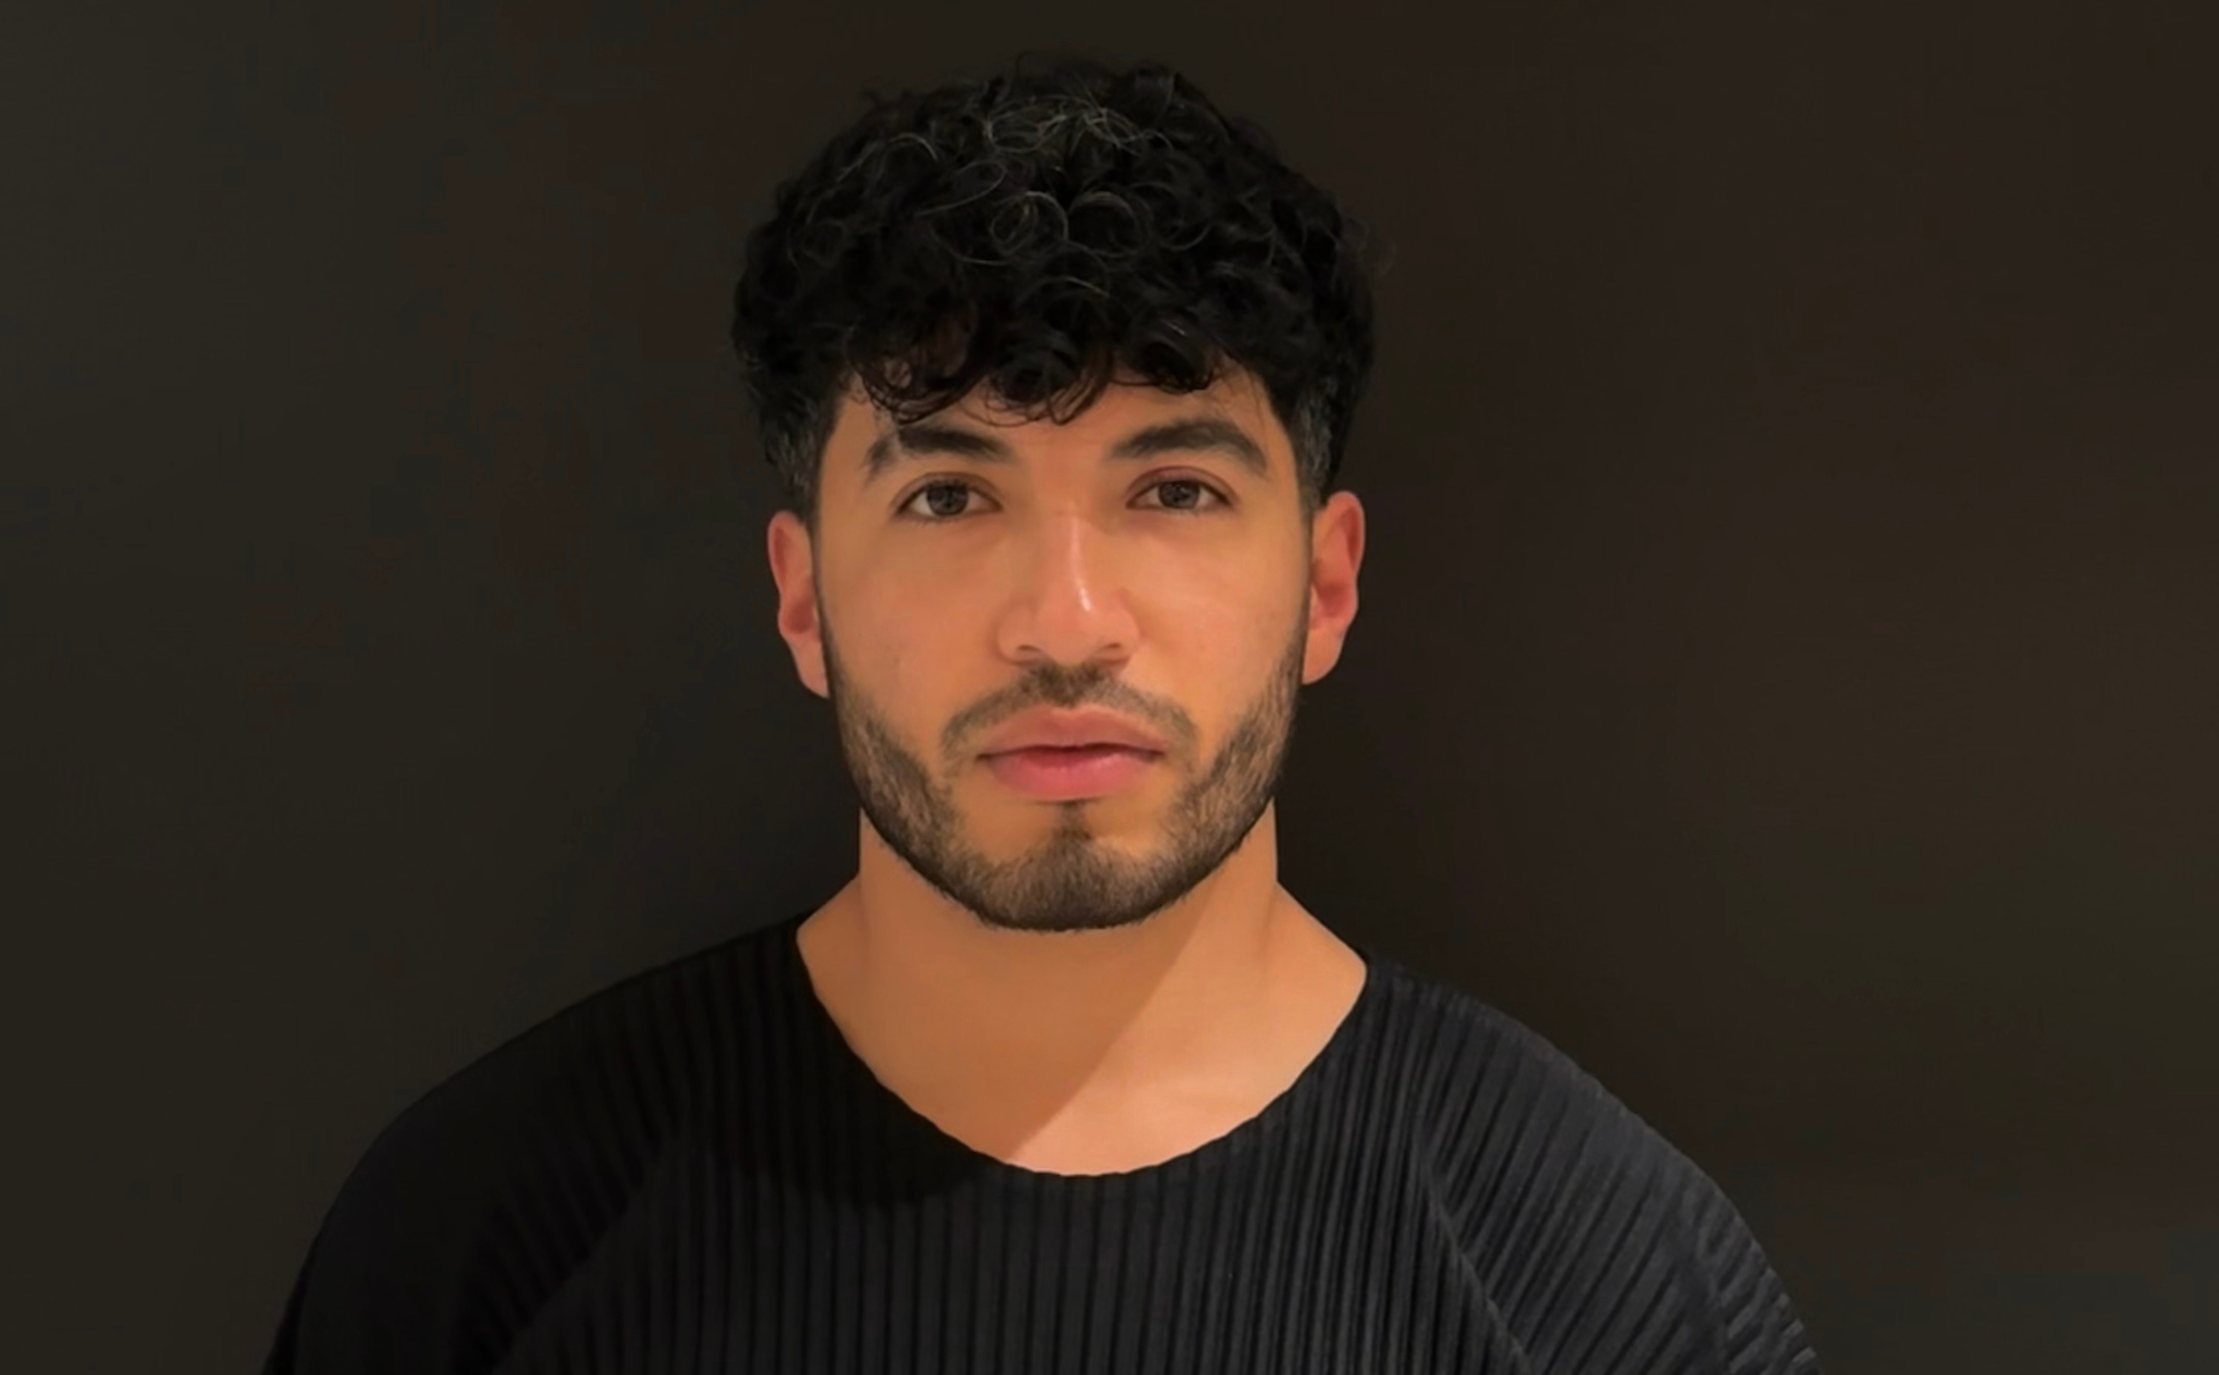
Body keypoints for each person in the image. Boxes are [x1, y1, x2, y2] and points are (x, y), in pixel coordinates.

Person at [264, 52, 1822, 1373]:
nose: (1066, 623)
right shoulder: (481, 1244)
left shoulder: (1605, 1286)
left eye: (1175, 489)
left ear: (1325, 584)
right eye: (948, 494)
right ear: (802, 599)